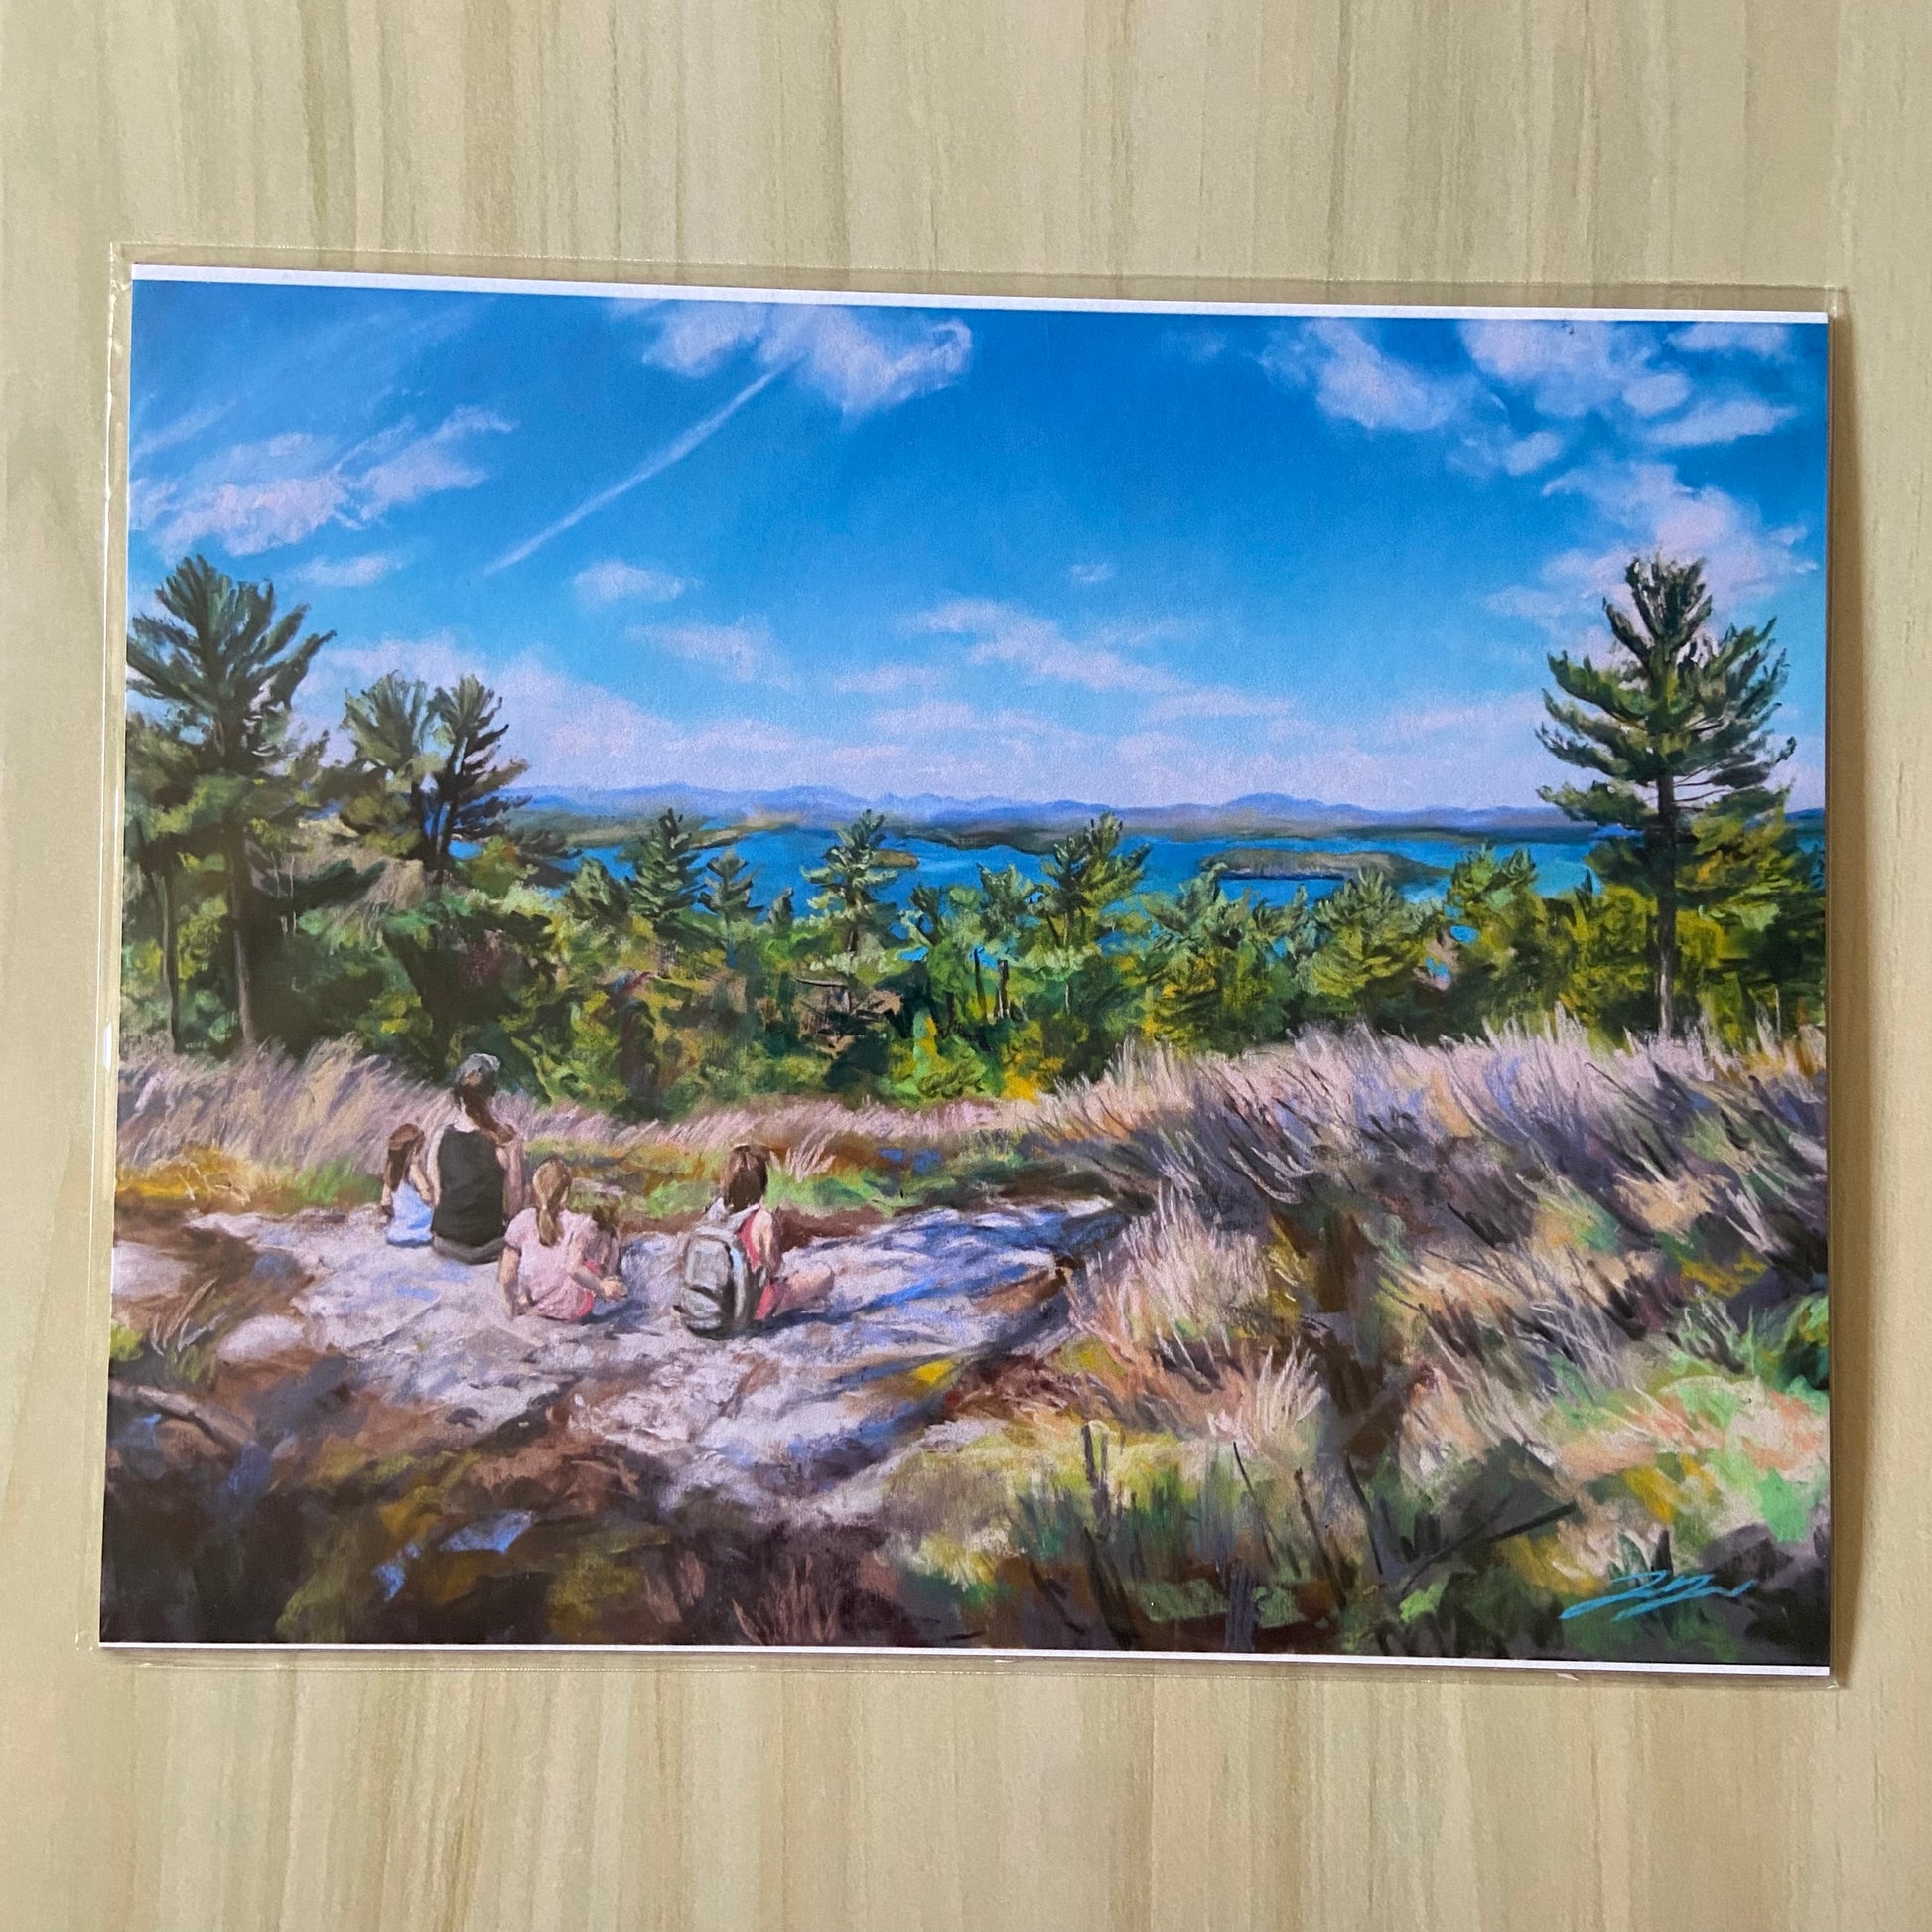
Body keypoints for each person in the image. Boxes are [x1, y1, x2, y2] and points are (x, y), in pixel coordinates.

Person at [497, 1157, 626, 1322]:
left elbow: (506, 1277)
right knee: (608, 1237)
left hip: (535, 1305)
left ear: (536, 1190)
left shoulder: (522, 1220)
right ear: (565, 1194)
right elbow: (573, 1268)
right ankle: (610, 1276)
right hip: (572, 1309)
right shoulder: (579, 1223)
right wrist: (601, 1288)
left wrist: (511, 1311)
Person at [427, 1052, 526, 1264]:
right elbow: (515, 1204)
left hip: (444, 1241)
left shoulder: (440, 1137)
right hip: (487, 1245)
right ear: (492, 1094)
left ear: (457, 1095)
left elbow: (438, 1198)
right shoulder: (507, 1140)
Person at [721, 1142, 834, 1324]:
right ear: (762, 1182)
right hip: (759, 1305)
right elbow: (774, 1266)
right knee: (824, 1274)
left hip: (726, 1305)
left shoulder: (718, 1219)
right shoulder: (763, 1219)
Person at [378, 1123, 434, 1248]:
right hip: (421, 1234)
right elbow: (427, 1197)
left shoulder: (390, 1174)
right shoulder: (414, 1170)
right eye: (418, 1150)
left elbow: (385, 1203)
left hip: (397, 1234)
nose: (419, 1155)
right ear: (412, 1151)